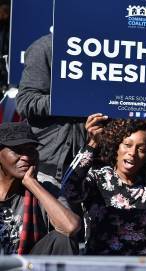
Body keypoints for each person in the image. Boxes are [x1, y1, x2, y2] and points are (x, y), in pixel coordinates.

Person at [61, 114, 146, 255]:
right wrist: (92, 144)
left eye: (141, 149)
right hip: (101, 266)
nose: (132, 153)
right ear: (116, 146)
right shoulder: (97, 177)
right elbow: (68, 188)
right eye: (127, 145)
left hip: (143, 268)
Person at [0, 122, 80, 254]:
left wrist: (32, 184)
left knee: (63, 238)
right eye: (17, 150)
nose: (25, 157)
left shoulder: (44, 184)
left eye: (30, 150)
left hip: (29, 265)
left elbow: (70, 226)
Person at [17, 34, 87, 181]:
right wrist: (67, 100)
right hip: (47, 166)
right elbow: (25, 102)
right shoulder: (45, 47)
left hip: (94, 168)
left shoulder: (111, 45)